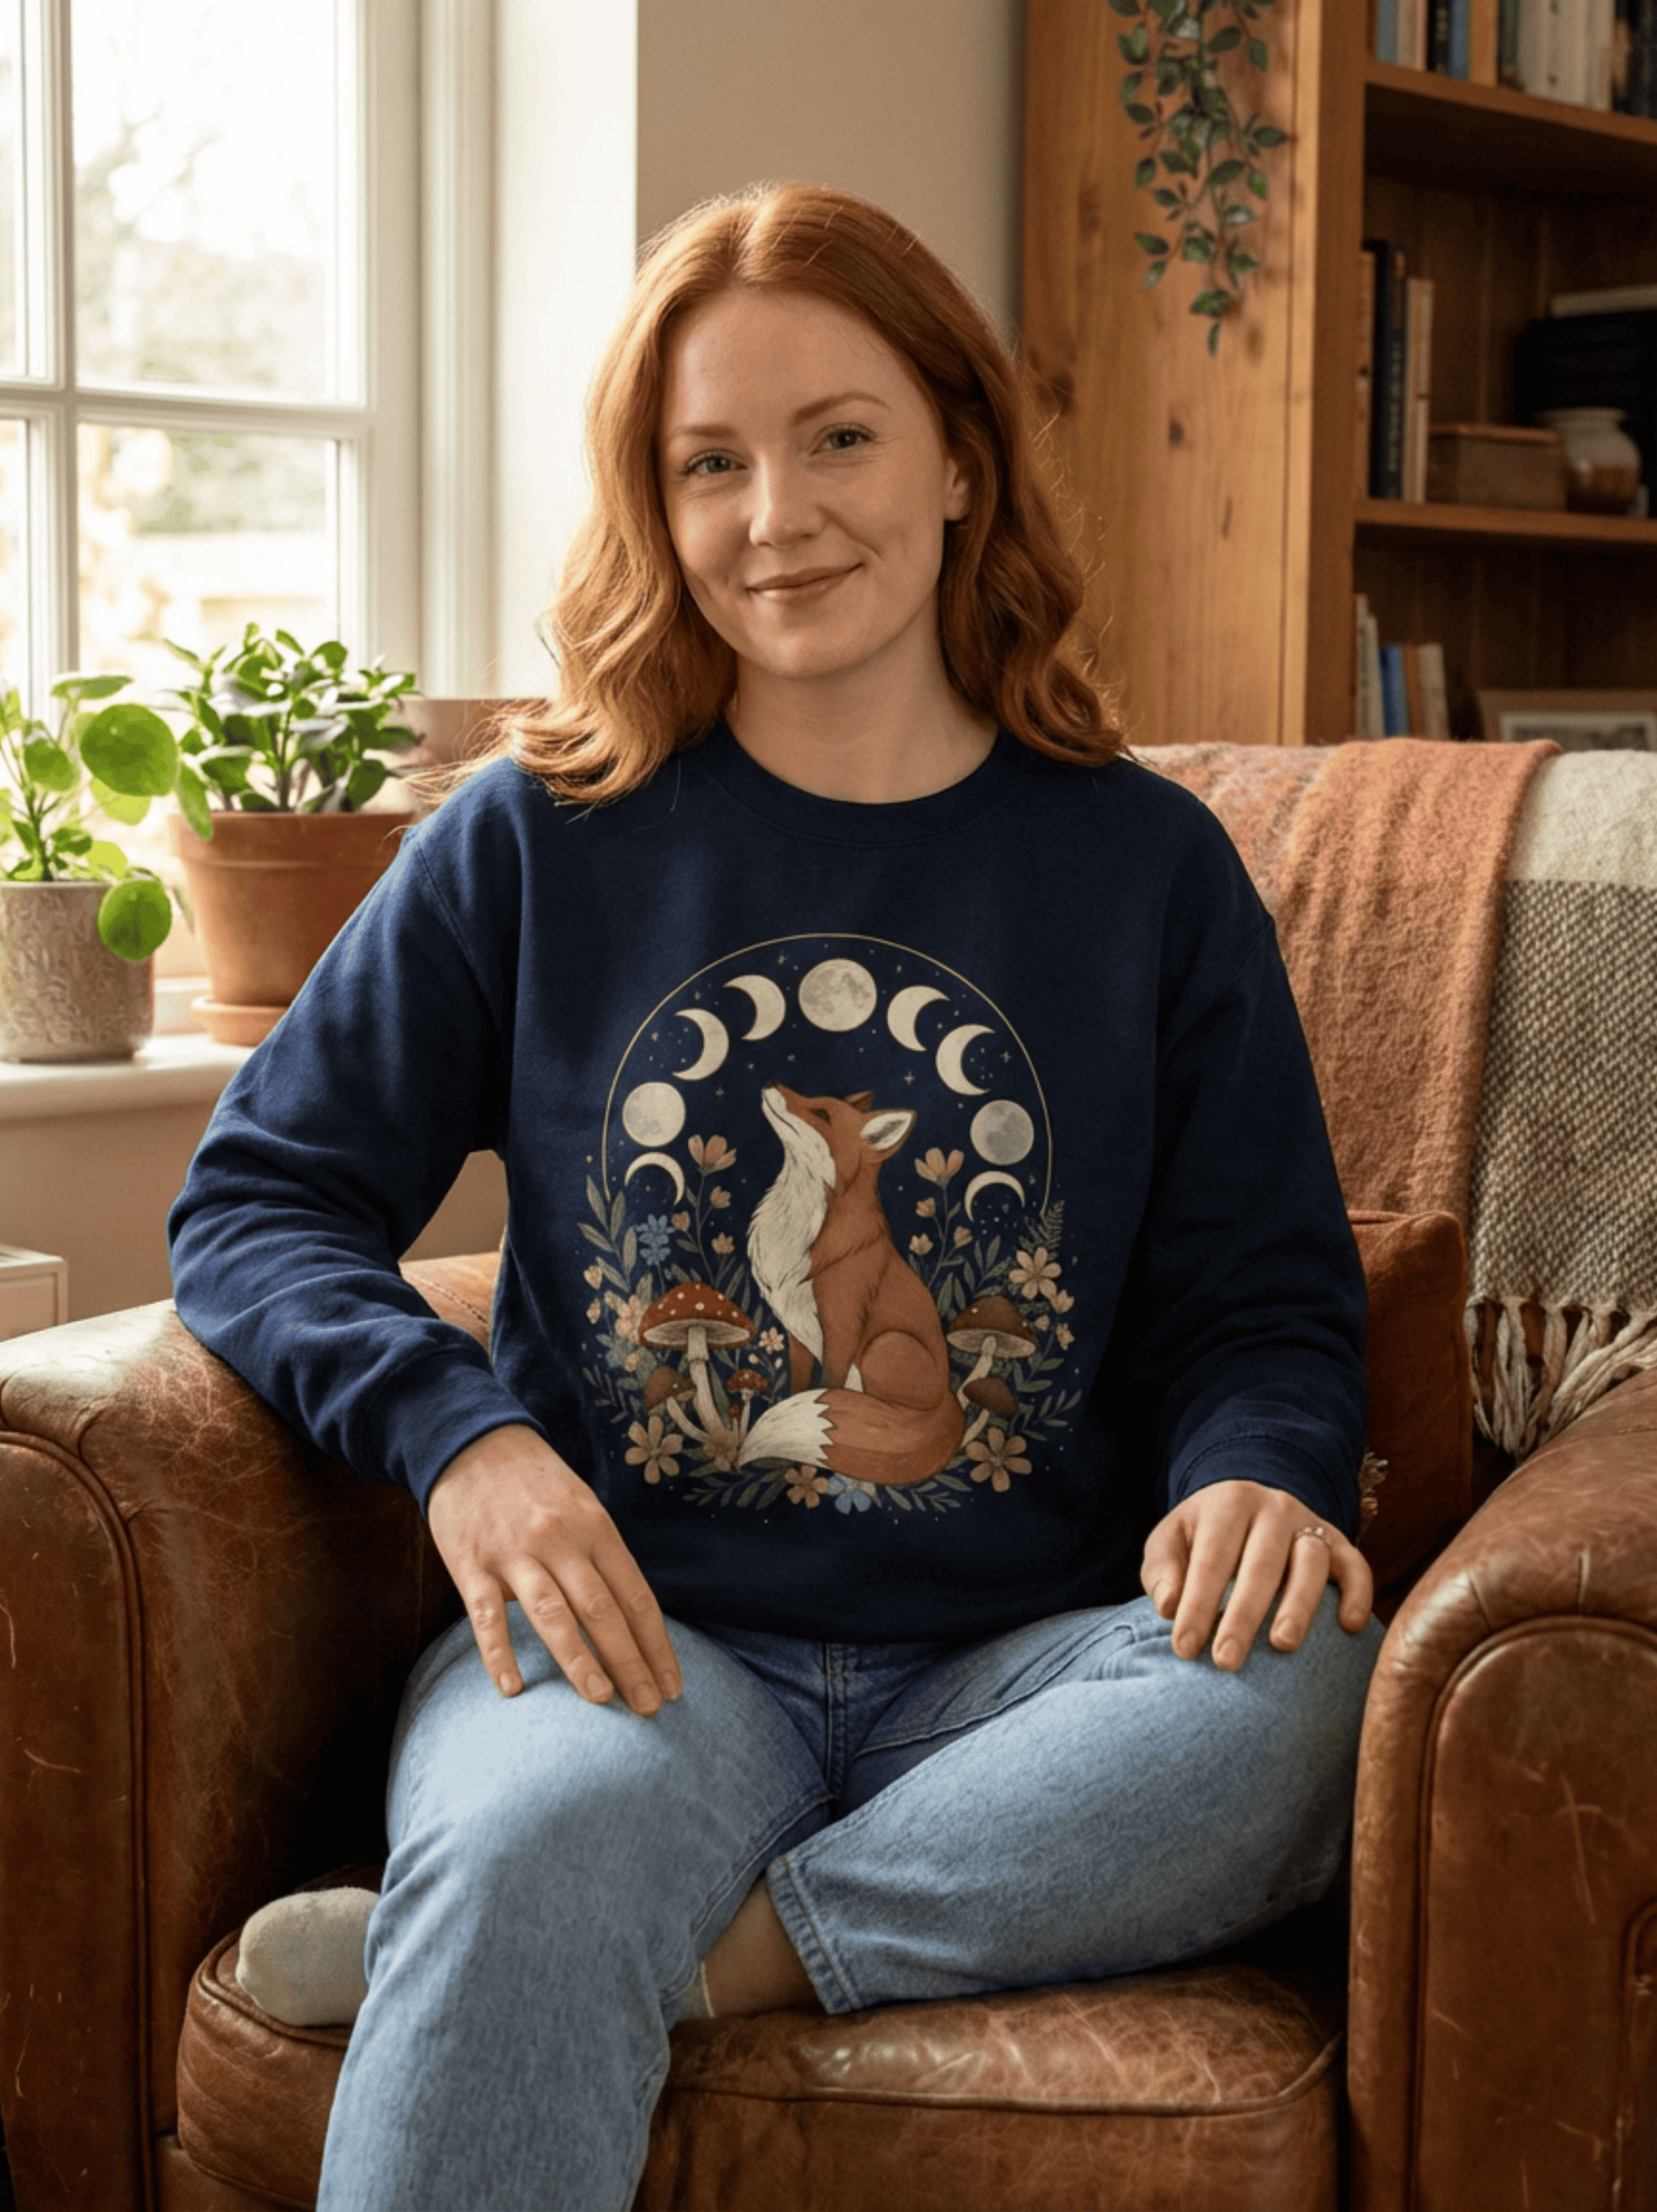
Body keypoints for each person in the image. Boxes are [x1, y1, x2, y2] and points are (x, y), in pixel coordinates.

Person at [168, 181, 1383, 2212]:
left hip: (1029, 1671)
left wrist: (1260, 1471)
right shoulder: (531, 841)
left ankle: (693, 1962)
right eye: (708, 462)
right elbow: (259, 1198)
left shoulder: (1145, 870)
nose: (774, 515)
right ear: (653, 504)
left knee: (1315, 1684)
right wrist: (463, 1443)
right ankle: (561, 1910)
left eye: (838, 438)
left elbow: (1261, 1293)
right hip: (636, 1647)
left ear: (959, 463)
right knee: (536, 1838)